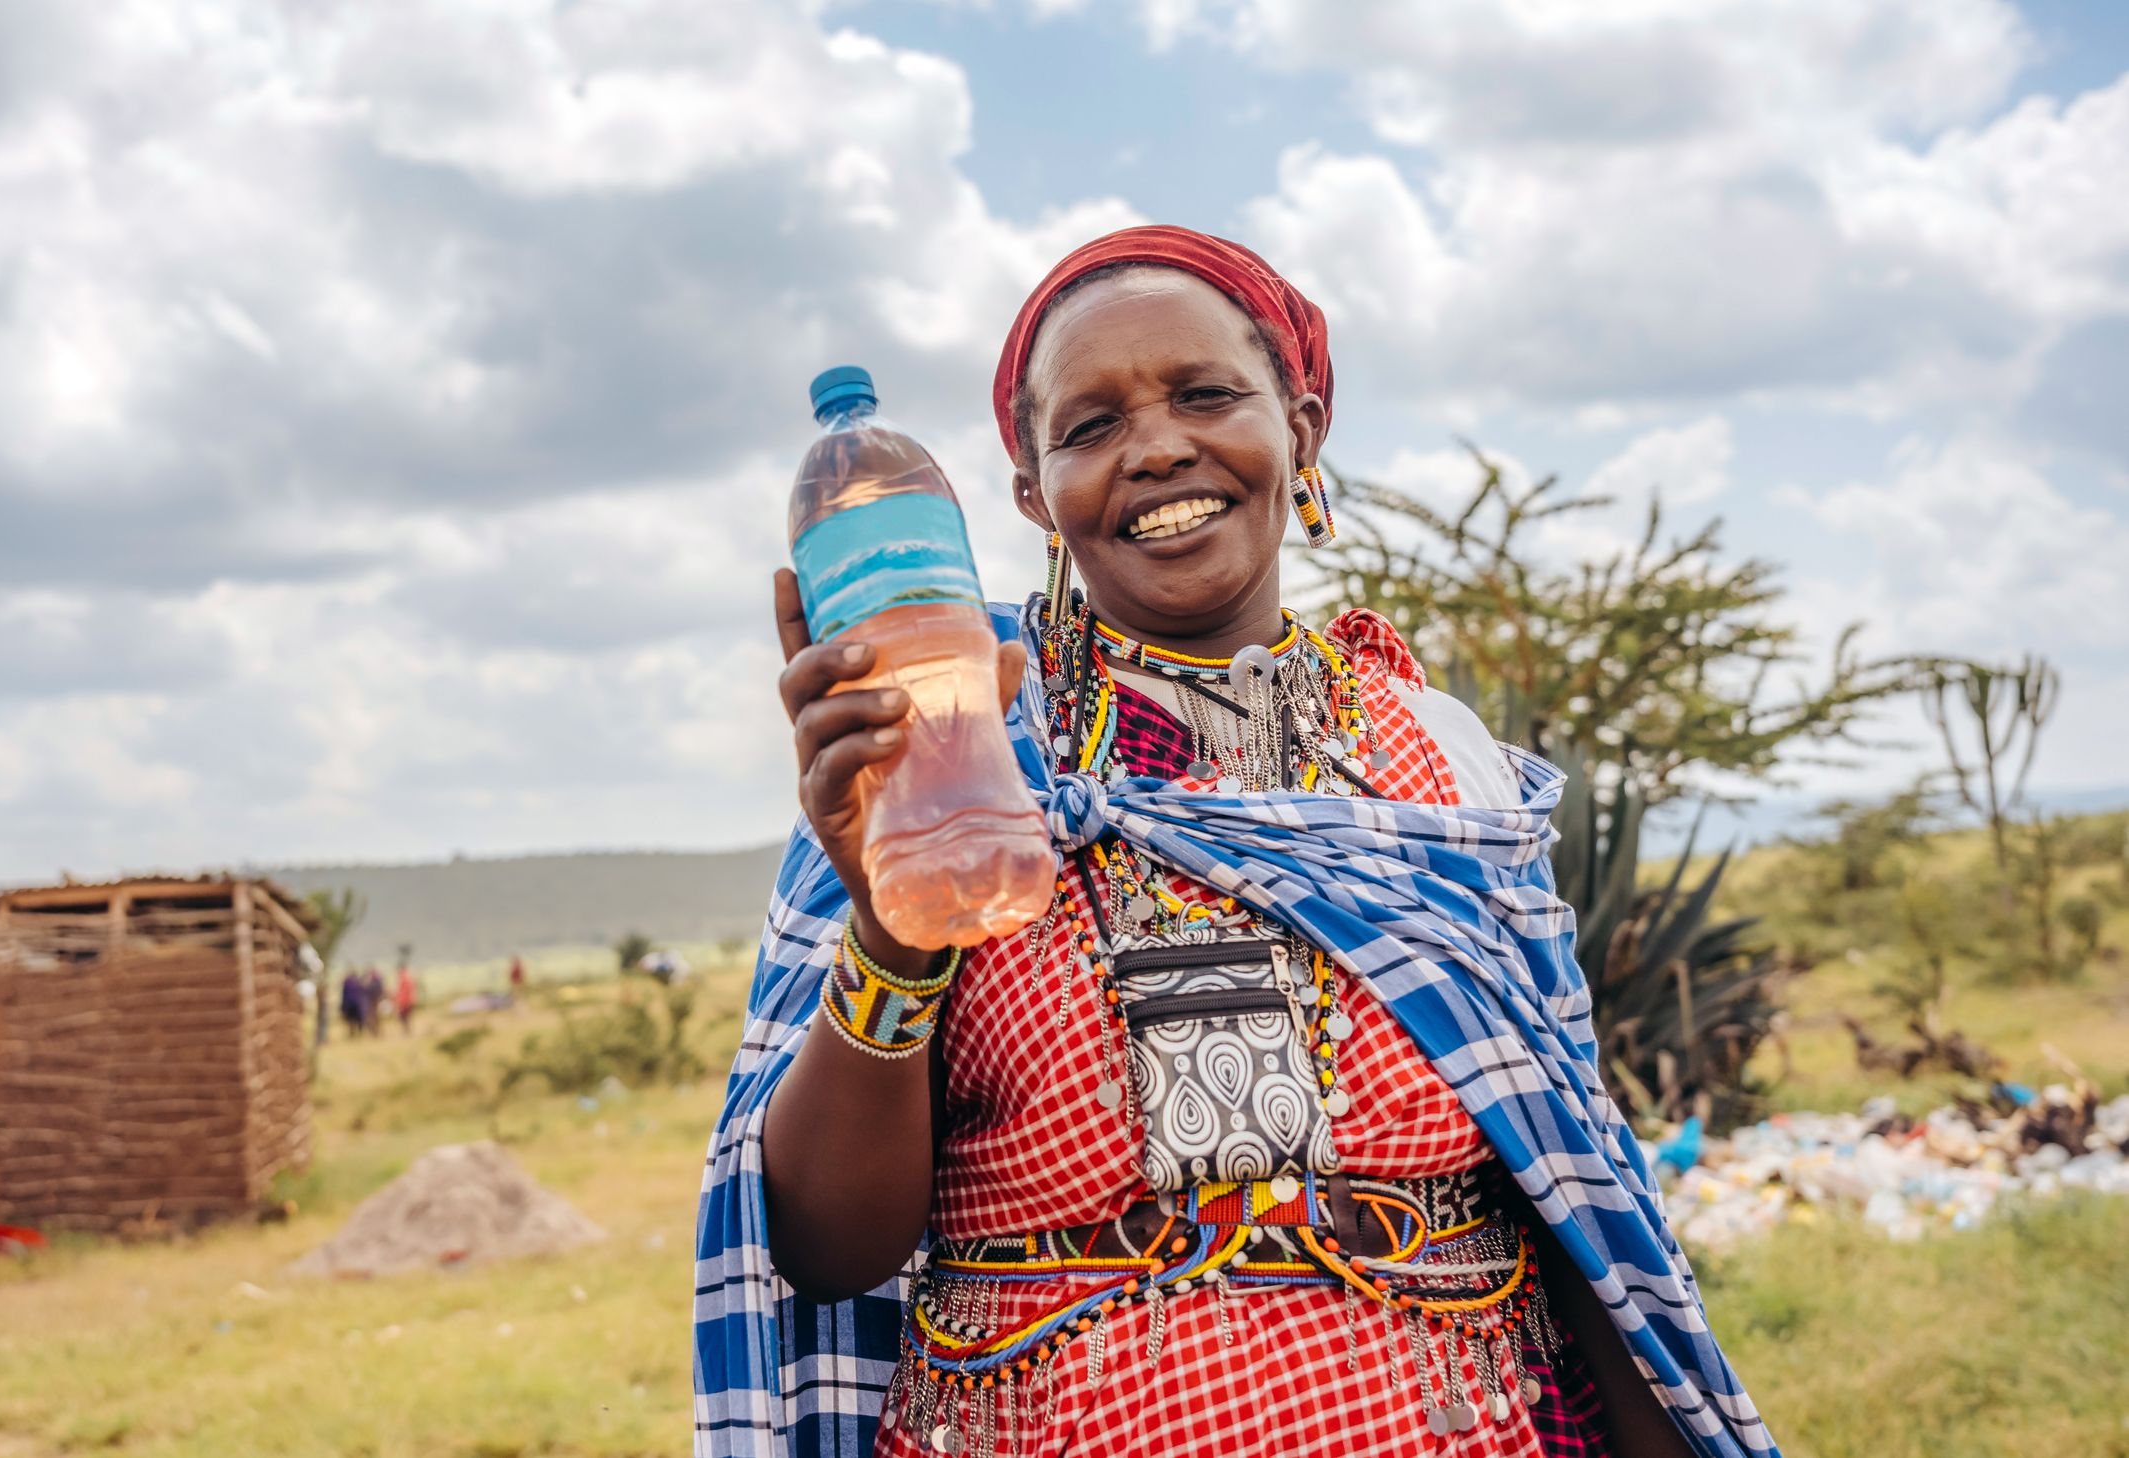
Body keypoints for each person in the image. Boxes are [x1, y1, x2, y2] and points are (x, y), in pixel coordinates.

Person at [696, 227, 1776, 1458]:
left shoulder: (1438, 760)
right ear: (1032, 497)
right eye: (1089, 427)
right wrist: (894, 924)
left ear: (1301, 431)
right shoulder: (946, 751)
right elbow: (827, 1250)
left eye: (1206, 394)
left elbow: (1568, 1185)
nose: (1156, 448)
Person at [394, 960, 418, 1035]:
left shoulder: (404, 977)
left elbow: (404, 992)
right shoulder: (407, 976)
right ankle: (407, 1031)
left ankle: (407, 1032)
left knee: (404, 1017)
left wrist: (401, 1002)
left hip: (406, 1001)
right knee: (406, 1017)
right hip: (409, 1000)